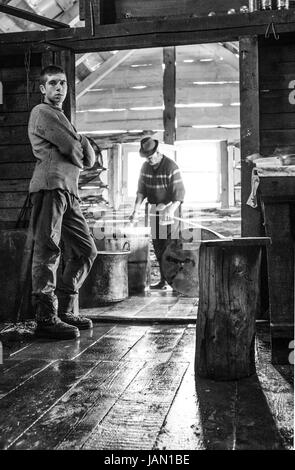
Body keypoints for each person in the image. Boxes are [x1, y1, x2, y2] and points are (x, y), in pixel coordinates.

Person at [27, 65, 98, 340]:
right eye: (53, 83)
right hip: (49, 187)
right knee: (48, 249)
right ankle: (46, 317)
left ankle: (66, 309)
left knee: (86, 250)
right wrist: (76, 142)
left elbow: (88, 158)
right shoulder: (41, 112)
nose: (60, 88)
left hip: (70, 192)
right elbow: (75, 151)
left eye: (63, 84)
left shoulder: (63, 119)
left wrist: (77, 139)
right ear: (43, 89)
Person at [129, 137, 185, 289]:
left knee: (171, 248)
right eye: (146, 158)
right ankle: (163, 281)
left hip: (171, 211)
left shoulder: (171, 166)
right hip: (154, 210)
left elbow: (179, 194)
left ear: (158, 152)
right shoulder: (145, 167)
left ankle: (175, 283)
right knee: (159, 248)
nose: (149, 160)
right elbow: (141, 191)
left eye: (151, 157)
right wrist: (135, 211)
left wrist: (170, 209)